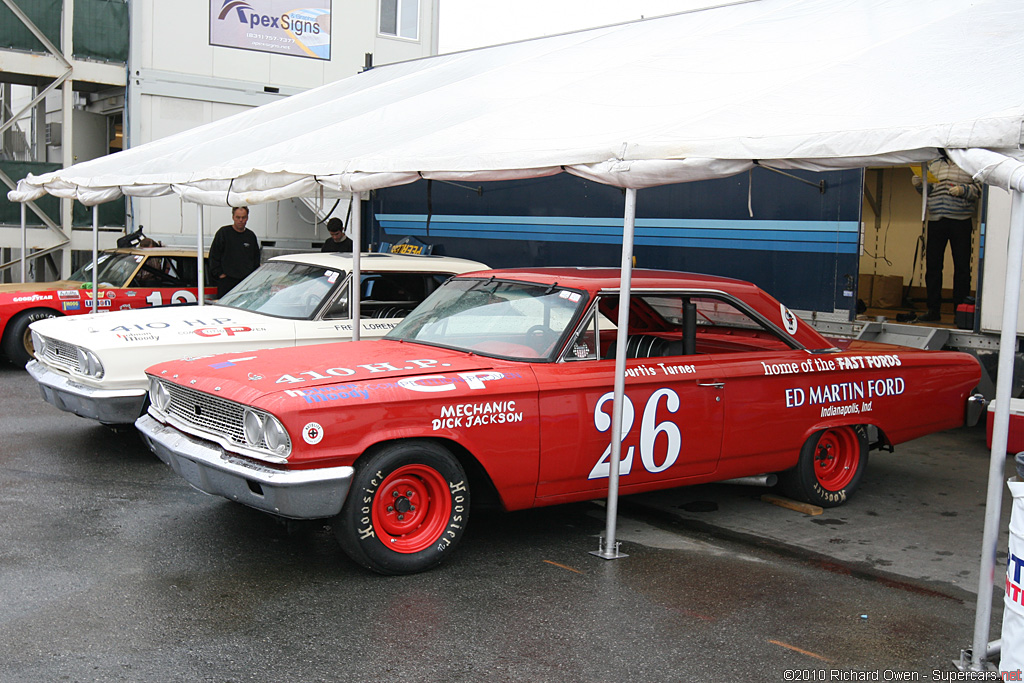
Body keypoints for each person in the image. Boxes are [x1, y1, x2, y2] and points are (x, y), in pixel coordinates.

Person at [911, 158, 982, 322]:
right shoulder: (934, 164)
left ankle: (960, 312)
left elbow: (979, 189)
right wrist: (919, 184)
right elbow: (927, 190)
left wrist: (962, 190)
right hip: (936, 219)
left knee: (962, 268)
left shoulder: (969, 163)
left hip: (961, 220)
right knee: (933, 266)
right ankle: (933, 310)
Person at [210, 206, 261, 298]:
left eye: (243, 217)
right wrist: (220, 274)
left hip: (245, 283)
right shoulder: (223, 233)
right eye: (238, 217)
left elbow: (256, 259)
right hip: (227, 282)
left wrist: (252, 279)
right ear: (233, 217)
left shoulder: (250, 236)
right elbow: (214, 255)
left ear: (247, 218)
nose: (241, 220)